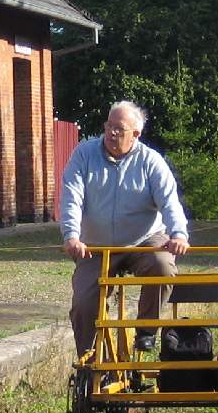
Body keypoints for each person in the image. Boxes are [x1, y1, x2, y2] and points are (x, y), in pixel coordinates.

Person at [59, 101, 190, 357]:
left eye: (119, 128)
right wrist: (71, 235)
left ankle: (146, 331)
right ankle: (92, 363)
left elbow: (169, 201)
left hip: (144, 239)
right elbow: (71, 196)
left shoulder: (151, 161)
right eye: (109, 125)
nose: (111, 133)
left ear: (136, 134)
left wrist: (179, 234)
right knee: (84, 303)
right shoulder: (84, 155)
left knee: (163, 266)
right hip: (96, 246)